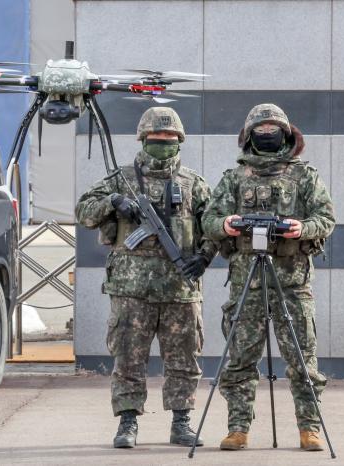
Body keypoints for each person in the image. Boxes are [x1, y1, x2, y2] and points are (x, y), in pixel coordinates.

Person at [75, 107, 217, 449]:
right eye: (156, 138)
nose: (163, 143)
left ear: (179, 141)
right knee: (128, 358)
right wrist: (113, 201)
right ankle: (127, 423)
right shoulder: (121, 179)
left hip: (180, 289)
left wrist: (204, 257)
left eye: (169, 139)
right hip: (131, 290)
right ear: (143, 139)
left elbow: (214, 225)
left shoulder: (194, 184)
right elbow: (83, 211)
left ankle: (181, 422)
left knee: (184, 360)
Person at [201, 103, 335, 452]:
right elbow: (209, 220)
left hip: (292, 282)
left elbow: (326, 218)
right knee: (240, 360)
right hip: (248, 280)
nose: (267, 135)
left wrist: (301, 228)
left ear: (286, 134)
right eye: (260, 131)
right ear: (248, 137)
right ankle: (238, 428)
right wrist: (227, 224)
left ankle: (309, 428)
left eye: (273, 130)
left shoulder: (305, 177)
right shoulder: (234, 178)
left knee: (303, 360)